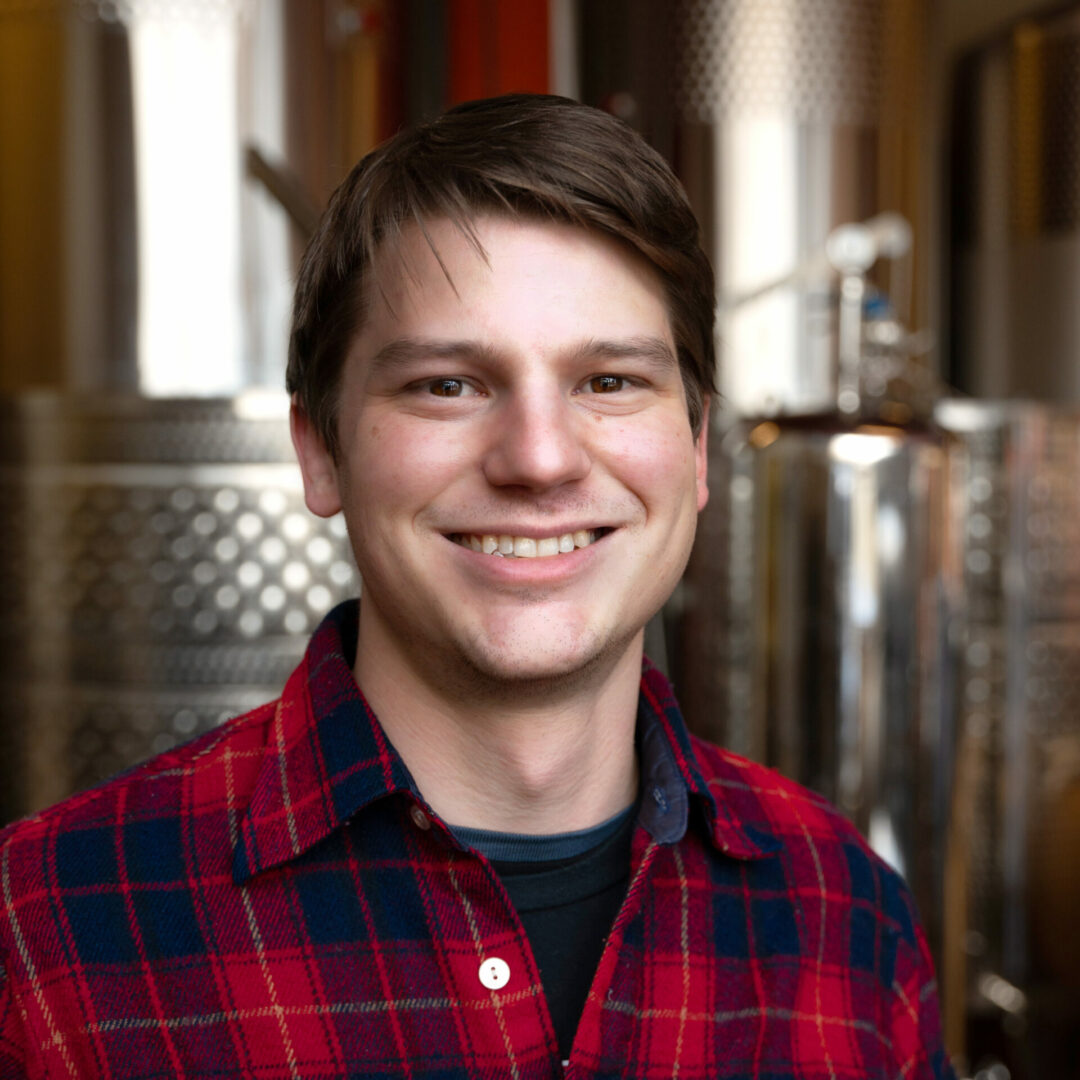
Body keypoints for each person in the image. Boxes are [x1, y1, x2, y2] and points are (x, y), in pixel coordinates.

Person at [0, 94, 953, 1078]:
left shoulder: (847, 919)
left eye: (610, 381)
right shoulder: (50, 935)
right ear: (320, 450)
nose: (539, 460)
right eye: (449, 384)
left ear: (698, 448)